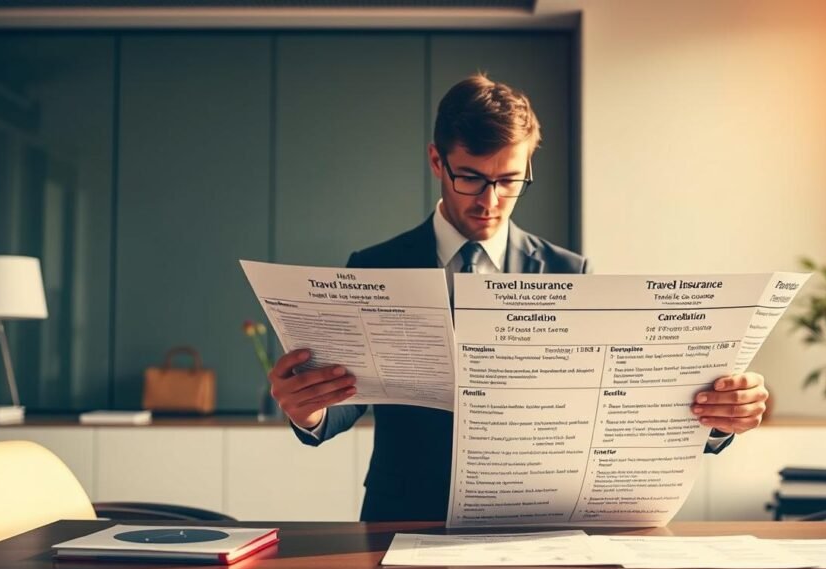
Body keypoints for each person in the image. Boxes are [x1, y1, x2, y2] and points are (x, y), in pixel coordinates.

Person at [269, 74, 770, 521]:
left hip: (536, 520)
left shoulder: (570, 272)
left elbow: (612, 406)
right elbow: (348, 398)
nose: (489, 201)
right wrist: (308, 410)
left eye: (509, 180)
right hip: (402, 515)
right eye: (471, 178)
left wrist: (718, 419)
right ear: (437, 160)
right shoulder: (375, 267)